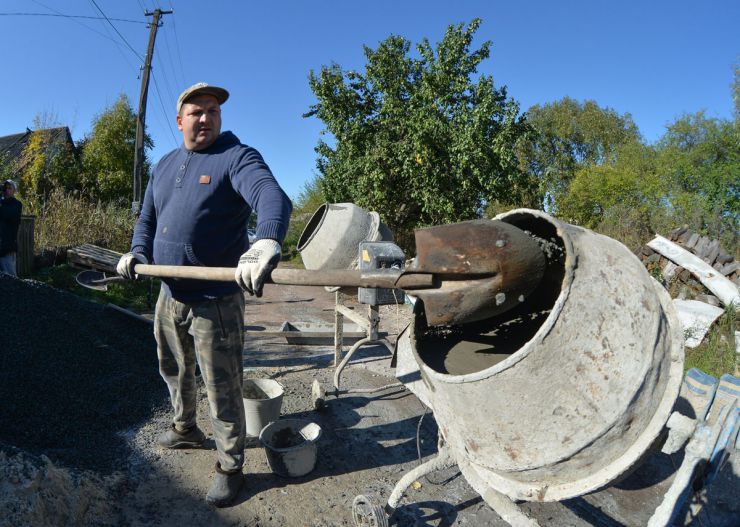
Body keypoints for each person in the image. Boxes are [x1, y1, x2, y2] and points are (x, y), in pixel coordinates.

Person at [116, 82, 292, 507]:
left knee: (222, 386)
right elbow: (147, 219)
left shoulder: (236, 157)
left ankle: (230, 465)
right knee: (174, 371)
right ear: (180, 121)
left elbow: (272, 196)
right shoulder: (165, 164)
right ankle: (184, 429)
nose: (205, 118)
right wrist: (137, 252)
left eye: (212, 110)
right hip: (169, 293)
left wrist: (266, 239)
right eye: (196, 111)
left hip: (216, 300)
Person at [0, 179, 22, 276]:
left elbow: (8, 215)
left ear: (14, 191)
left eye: (10, 188)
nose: (7, 190)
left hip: (8, 246)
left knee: (11, 276)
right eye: (5, 188)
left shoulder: (17, 204)